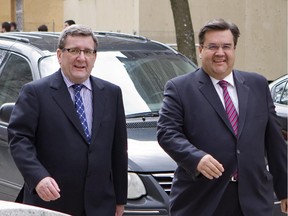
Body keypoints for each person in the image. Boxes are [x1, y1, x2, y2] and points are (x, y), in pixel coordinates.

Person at [157, 18, 288, 216]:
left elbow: (275, 142)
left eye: (226, 46)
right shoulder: (180, 88)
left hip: (254, 201)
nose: (220, 53)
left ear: (234, 49)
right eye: (212, 47)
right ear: (201, 50)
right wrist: (196, 158)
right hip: (203, 201)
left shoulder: (258, 85)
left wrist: (284, 189)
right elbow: (167, 133)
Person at [8, 24, 128, 215]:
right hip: (51, 202)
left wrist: (121, 199)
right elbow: (19, 140)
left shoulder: (112, 93)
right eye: (74, 50)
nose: (81, 58)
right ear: (59, 55)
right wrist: (38, 177)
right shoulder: (36, 93)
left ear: (94, 57)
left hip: (100, 205)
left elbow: (118, 152)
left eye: (88, 51)